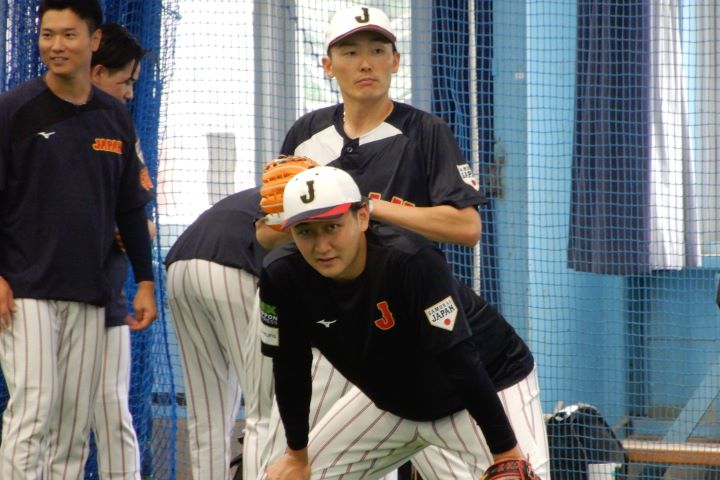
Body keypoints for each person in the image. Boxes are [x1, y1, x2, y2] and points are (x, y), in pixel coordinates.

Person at [256, 6, 485, 478]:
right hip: (329, 326)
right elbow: (265, 234)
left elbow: (466, 227)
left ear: (395, 61)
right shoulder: (305, 135)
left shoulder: (425, 132)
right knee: (305, 460)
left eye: (378, 51)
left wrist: (368, 207)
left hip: (407, 325)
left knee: (451, 464)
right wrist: (285, 221)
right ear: (328, 65)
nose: (366, 63)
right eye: (351, 51)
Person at [259, 167, 549, 480]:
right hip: (394, 407)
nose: (321, 246)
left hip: (488, 385)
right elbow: (290, 366)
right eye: (305, 231)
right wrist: (296, 455)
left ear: (362, 218)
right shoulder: (282, 275)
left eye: (332, 227)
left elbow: (458, 358)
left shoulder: (410, 259)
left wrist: (505, 452)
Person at [0, 1, 156, 478]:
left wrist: (146, 281)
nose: (55, 45)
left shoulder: (115, 116)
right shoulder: (13, 110)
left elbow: (130, 207)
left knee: (71, 429)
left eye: (68, 35)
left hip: (92, 294)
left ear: (94, 41)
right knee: (34, 413)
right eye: (48, 34)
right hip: (27, 292)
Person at [165, 187, 274, 480]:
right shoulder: (313, 200)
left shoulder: (267, 190)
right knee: (264, 405)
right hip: (231, 265)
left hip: (179, 267)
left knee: (206, 412)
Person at [90, 22, 153, 480]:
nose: (130, 93)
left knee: (113, 416)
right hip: (44, 298)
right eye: (124, 81)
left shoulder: (124, 133)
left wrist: (136, 230)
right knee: (49, 420)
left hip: (107, 299)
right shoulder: (34, 120)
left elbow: (142, 216)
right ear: (96, 73)